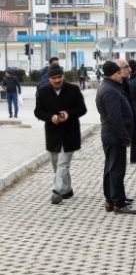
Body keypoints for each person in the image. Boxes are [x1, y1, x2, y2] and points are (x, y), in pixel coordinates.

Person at [34, 64, 87, 204]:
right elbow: (38, 111)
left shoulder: (74, 89)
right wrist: (51, 117)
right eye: (54, 78)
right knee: (56, 165)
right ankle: (67, 189)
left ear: (63, 76)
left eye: (59, 77)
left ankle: (57, 191)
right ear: (49, 78)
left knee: (63, 165)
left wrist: (68, 114)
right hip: (52, 133)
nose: (57, 80)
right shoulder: (43, 91)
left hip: (70, 132)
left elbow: (82, 109)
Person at [96, 60, 136, 215]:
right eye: (119, 73)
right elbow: (115, 117)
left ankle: (111, 200)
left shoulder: (110, 87)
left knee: (111, 168)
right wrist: (125, 138)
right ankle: (119, 204)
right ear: (114, 73)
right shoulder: (110, 91)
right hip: (114, 137)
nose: (122, 76)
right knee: (117, 170)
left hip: (111, 136)